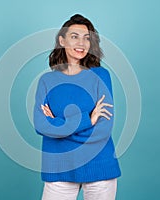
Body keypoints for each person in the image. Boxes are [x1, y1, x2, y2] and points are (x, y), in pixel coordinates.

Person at [33, 14, 121, 200]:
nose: (81, 43)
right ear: (62, 40)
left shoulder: (100, 76)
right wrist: (87, 119)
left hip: (99, 168)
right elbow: (41, 125)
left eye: (87, 38)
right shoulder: (47, 81)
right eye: (74, 36)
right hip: (59, 169)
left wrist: (58, 125)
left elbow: (103, 129)